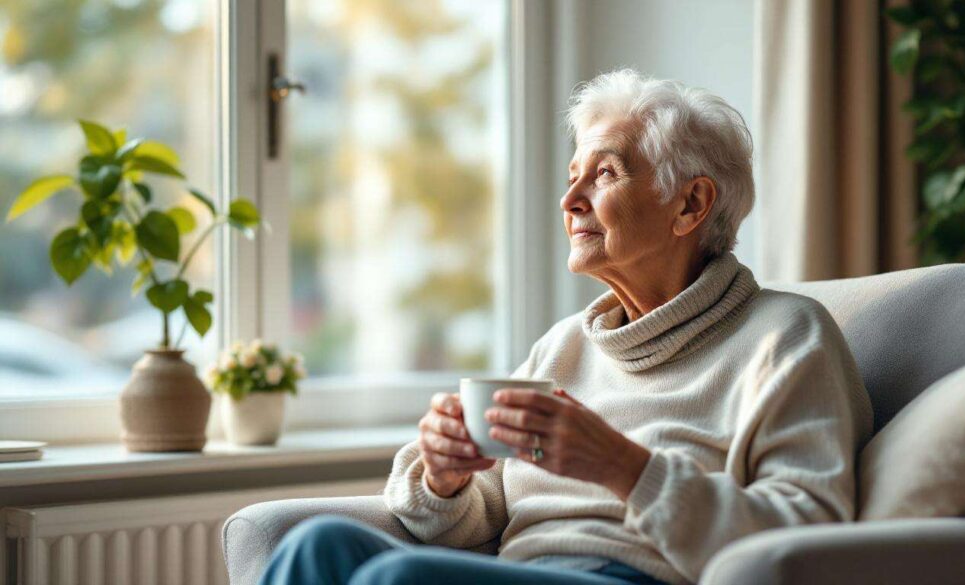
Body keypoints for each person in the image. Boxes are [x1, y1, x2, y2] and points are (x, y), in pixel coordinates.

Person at [259, 68, 874, 585]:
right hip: (525, 569)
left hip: (643, 577)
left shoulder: (785, 336)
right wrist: (446, 478)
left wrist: (627, 469)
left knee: (397, 582)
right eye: (572, 176)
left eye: (604, 174)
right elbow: (481, 517)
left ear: (690, 204)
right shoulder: (565, 347)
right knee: (317, 548)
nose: (570, 199)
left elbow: (806, 540)